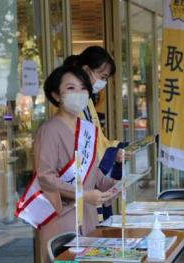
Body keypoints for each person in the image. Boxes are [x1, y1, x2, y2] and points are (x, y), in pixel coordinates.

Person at [16, 65, 117, 262]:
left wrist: (111, 185)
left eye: (83, 88)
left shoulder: (88, 129)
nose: (78, 93)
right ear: (56, 95)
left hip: (87, 216)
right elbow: (46, 178)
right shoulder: (49, 131)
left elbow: (92, 171)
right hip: (61, 218)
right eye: (71, 88)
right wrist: (82, 194)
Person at [64, 46, 128, 220]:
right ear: (85, 70)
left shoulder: (86, 100)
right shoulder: (70, 106)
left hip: (89, 182)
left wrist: (116, 150)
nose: (103, 82)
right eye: (102, 76)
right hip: (76, 186)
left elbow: (97, 139)